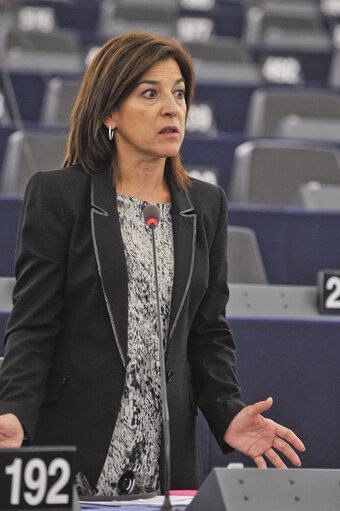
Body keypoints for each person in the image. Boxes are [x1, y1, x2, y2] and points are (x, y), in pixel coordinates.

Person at [0, 32, 305, 495]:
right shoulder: (58, 195)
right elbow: (33, 325)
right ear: (109, 112)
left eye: (179, 93)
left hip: (167, 458)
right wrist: (14, 411)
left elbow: (208, 333)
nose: (172, 107)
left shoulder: (206, 206)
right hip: (73, 448)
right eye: (150, 93)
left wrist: (227, 412)